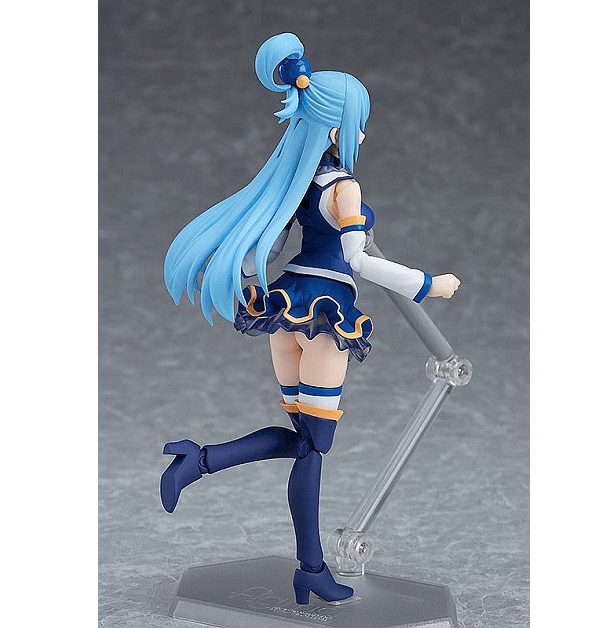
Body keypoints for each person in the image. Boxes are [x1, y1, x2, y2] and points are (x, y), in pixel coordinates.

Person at [160, 32, 460, 605]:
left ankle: (202, 461)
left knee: (304, 442)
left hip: (286, 310)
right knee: (313, 446)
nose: (362, 136)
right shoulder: (344, 188)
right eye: (357, 124)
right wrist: (428, 284)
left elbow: (270, 248)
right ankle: (308, 566)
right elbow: (358, 261)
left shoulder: (299, 184)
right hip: (325, 316)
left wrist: (241, 274)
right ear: (335, 129)